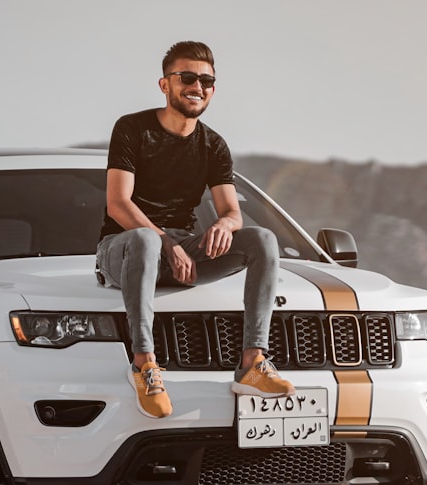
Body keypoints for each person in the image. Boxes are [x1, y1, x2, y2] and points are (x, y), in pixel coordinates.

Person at [96, 40, 295, 419]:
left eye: (206, 80)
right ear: (165, 84)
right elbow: (119, 204)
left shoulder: (214, 145)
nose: (197, 87)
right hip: (123, 251)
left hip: (183, 251)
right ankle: (144, 365)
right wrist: (167, 242)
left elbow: (233, 211)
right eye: (187, 77)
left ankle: (252, 362)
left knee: (262, 239)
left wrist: (224, 223)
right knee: (144, 239)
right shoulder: (133, 129)